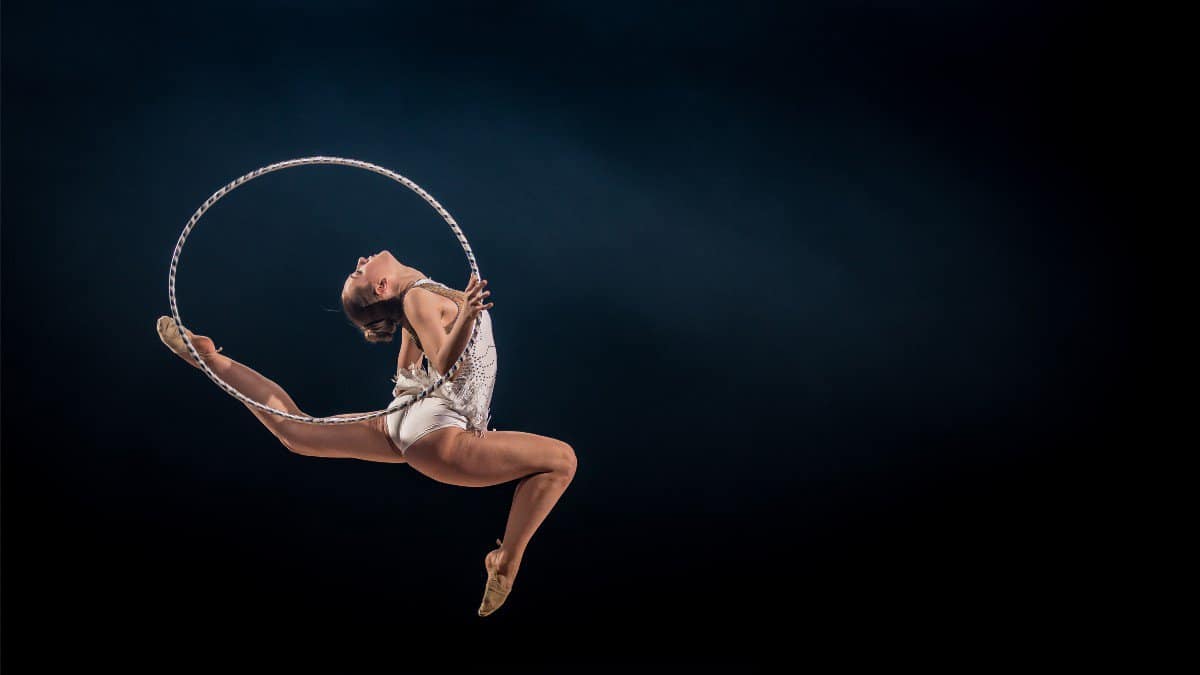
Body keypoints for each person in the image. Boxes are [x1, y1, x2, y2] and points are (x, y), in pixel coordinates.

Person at [155, 250, 576, 616]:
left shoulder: (417, 295)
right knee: (561, 462)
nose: (359, 262)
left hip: (413, 420)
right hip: (440, 434)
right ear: (381, 285)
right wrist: (465, 314)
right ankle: (506, 561)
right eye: (359, 272)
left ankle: (210, 361)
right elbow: (445, 363)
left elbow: (410, 372)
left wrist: (457, 317)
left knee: (300, 433)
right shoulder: (417, 299)